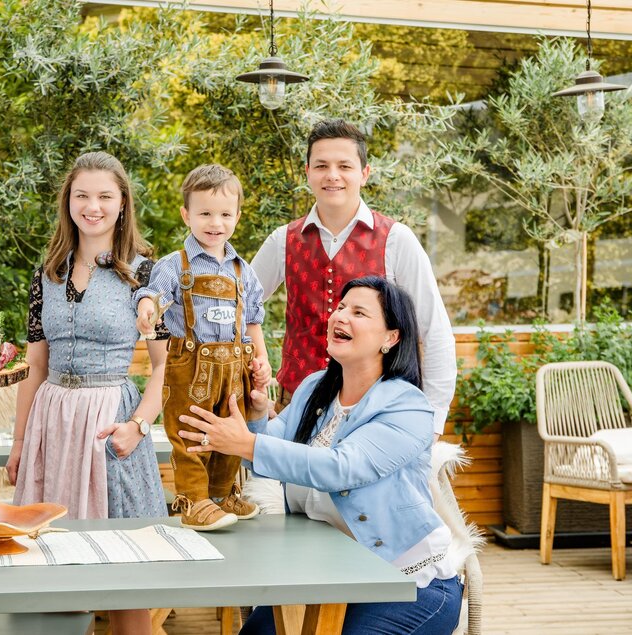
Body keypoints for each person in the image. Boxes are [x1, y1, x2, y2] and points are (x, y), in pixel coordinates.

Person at [177, 276, 463, 635]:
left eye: (359, 312)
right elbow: (262, 456)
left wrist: (247, 443)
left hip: (409, 584)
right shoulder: (315, 387)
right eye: (341, 307)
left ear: (391, 338)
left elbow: (341, 468)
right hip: (326, 577)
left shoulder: (409, 407)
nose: (340, 316)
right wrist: (255, 414)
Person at [7, 151, 166, 635]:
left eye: (104, 196)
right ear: (68, 202)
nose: (92, 207)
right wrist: (19, 442)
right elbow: (36, 366)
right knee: (49, 562)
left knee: (124, 573)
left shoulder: (146, 274)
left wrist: (138, 427)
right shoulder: (46, 273)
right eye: (82, 196)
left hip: (109, 425)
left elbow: (165, 367)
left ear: (122, 204)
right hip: (52, 424)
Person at [249, 119, 456, 436]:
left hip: (375, 414)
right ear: (308, 172)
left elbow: (434, 332)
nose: (332, 175)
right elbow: (237, 310)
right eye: (321, 166)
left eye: (344, 166)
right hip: (295, 411)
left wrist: (433, 423)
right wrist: (254, 377)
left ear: (364, 173)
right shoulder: (283, 240)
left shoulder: (397, 240)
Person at [134, 164, 271, 531]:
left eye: (225, 214)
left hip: (234, 369)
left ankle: (222, 494)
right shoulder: (174, 265)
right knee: (190, 433)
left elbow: (252, 321)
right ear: (186, 215)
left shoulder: (243, 270)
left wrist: (261, 361)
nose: (215, 223)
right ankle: (193, 500)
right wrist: (148, 309)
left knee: (231, 430)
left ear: (237, 217)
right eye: (205, 213)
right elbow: (153, 294)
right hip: (190, 369)